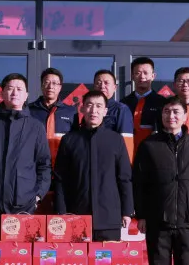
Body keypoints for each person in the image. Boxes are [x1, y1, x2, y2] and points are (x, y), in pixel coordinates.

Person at [133, 96, 189, 265]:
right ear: (161, 115)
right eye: (167, 111)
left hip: (188, 218)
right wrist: (141, 215)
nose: (171, 116)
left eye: (176, 112)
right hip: (157, 219)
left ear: (185, 116)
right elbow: (138, 183)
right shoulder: (149, 145)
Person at [0, 73, 52, 241]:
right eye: (10, 88)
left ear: (26, 95)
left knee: (21, 254)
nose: (15, 92)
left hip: (24, 205)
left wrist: (37, 196)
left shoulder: (35, 127)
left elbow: (44, 165)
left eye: (19, 89)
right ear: (2, 93)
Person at [53, 90, 134, 242]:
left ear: (105, 111)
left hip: (109, 216)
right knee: (76, 256)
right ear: (82, 108)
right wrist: (61, 212)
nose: (93, 110)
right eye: (89, 105)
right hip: (76, 215)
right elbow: (60, 179)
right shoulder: (69, 140)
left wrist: (127, 211)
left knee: (108, 257)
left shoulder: (116, 140)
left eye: (98, 106)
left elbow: (124, 177)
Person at [28, 67, 78, 162]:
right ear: (41, 85)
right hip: (35, 162)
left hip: (63, 163)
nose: (50, 86)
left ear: (60, 87)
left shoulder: (71, 112)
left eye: (54, 83)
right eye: (46, 82)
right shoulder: (29, 110)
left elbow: (75, 141)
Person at [122, 56, 166, 150]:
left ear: (153, 76)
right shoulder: (123, 103)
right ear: (132, 76)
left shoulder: (162, 103)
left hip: (154, 152)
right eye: (137, 73)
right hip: (128, 151)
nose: (142, 77)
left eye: (146, 73)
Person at [92, 69, 136, 161]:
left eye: (106, 83)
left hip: (111, 161)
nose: (102, 86)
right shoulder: (90, 109)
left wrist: (124, 166)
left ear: (115, 87)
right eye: (98, 83)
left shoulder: (121, 109)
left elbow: (126, 143)